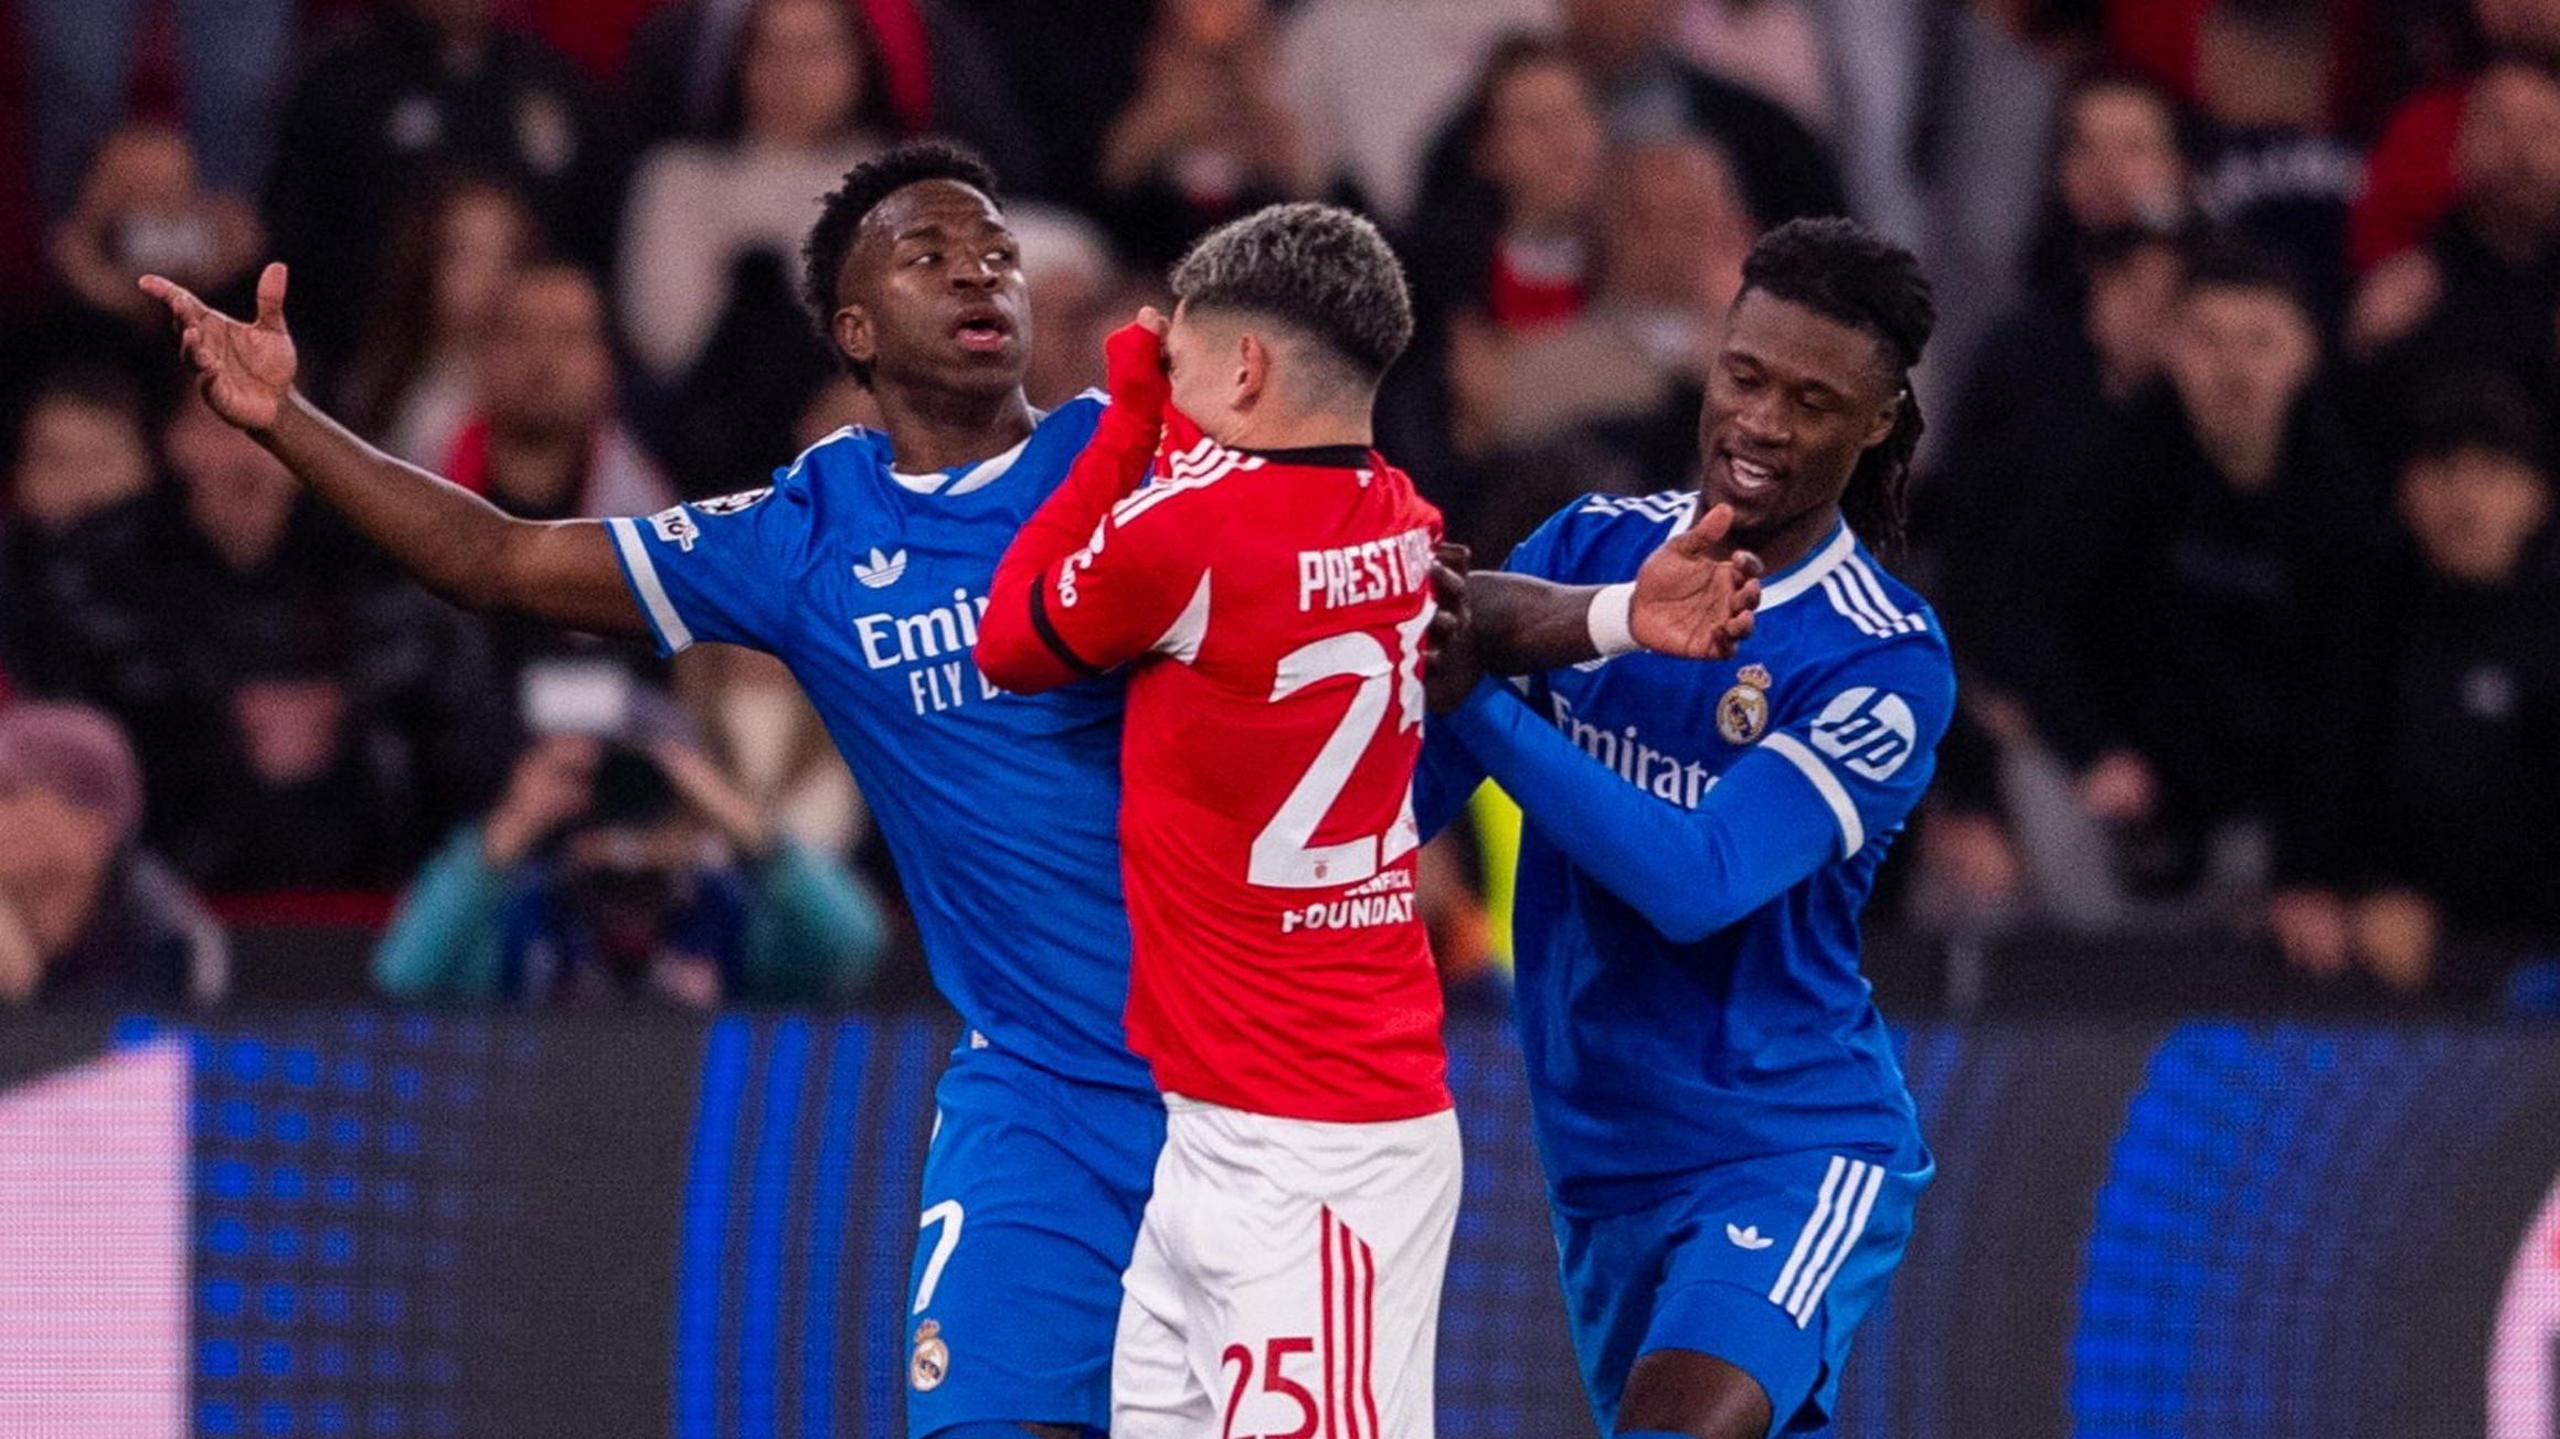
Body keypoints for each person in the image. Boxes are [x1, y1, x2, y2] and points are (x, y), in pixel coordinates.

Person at [141, 142, 1754, 1438]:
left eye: (991, 244)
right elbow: (497, 558)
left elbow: (1423, 590)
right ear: (850, 329)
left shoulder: (1163, 468)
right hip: (1040, 1099)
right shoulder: (805, 529)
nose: (978, 267)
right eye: (926, 251)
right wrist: (290, 421)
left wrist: (1611, 618)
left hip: (1252, 1088)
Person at [973, 201, 1758, 1439]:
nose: (1164, 387)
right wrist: (1613, 614)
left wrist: (1125, 417)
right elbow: (1473, 606)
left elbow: (1011, 636)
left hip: (1315, 1148)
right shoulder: (1398, 518)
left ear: (1243, 369)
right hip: (1231, 1121)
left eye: (1178, 362)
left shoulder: (1187, 536)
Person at [1416, 217, 1949, 1439]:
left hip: (1783, 1144)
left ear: (1875, 422)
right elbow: (1397, 806)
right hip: (1599, 1163)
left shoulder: (1880, 654)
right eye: (1745, 375)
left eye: (1813, 399)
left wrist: (1481, 703)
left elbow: (1699, 876)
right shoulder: (1589, 555)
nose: (1761, 422)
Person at [374, 727, 884, 1007]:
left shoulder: (726, 918)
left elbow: (852, 941)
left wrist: (741, 824)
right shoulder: (529, 918)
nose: (626, 835)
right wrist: (509, 828)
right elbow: (405, 974)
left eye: (645, 804)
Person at [0, 701, 227, 1007]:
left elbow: (123, 1044)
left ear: (91, 823)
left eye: (8, 793)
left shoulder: (163, 931)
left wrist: (22, 996)